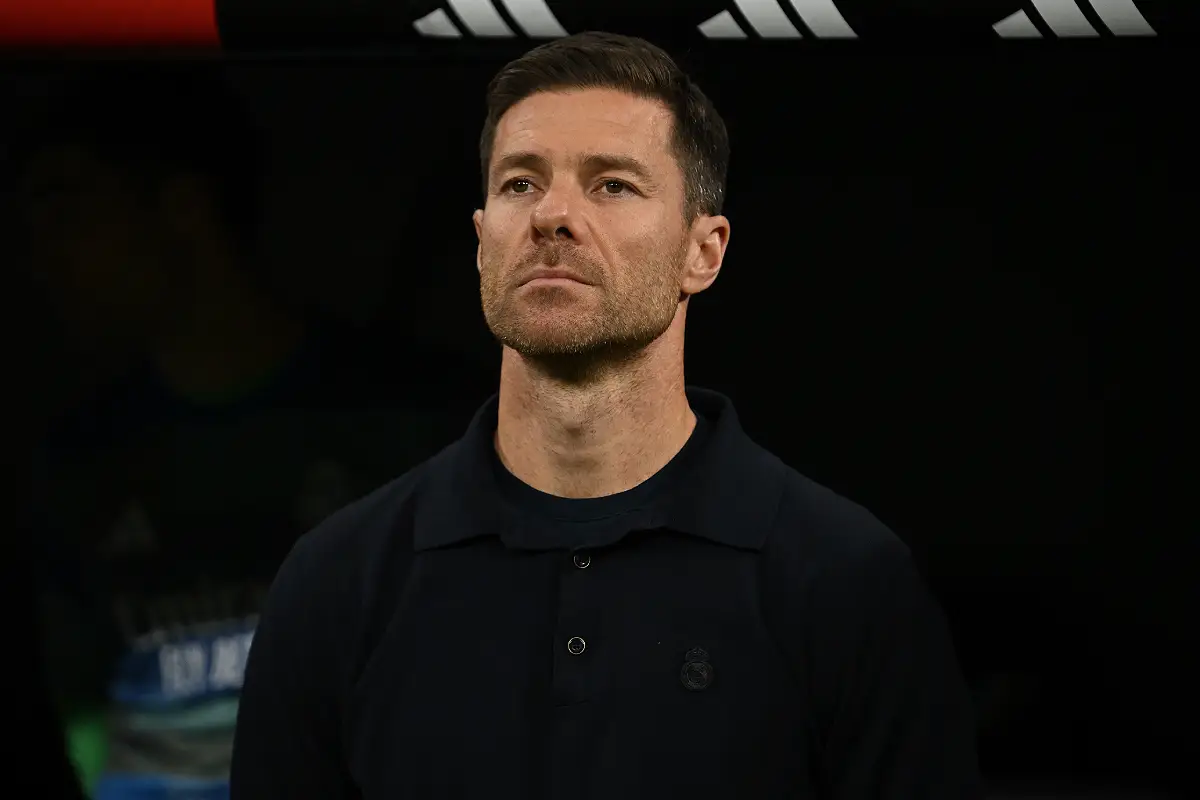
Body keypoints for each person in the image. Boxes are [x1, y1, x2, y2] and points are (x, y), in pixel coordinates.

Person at [231, 32, 982, 799]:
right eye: (520, 183)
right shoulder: (338, 580)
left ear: (705, 251)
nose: (553, 215)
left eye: (612, 184)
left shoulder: (845, 581)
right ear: (483, 241)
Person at [19, 64, 480, 800]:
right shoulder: (75, 466)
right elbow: (82, 712)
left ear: (183, 207)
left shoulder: (415, 425)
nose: (43, 256)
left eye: (68, 210)